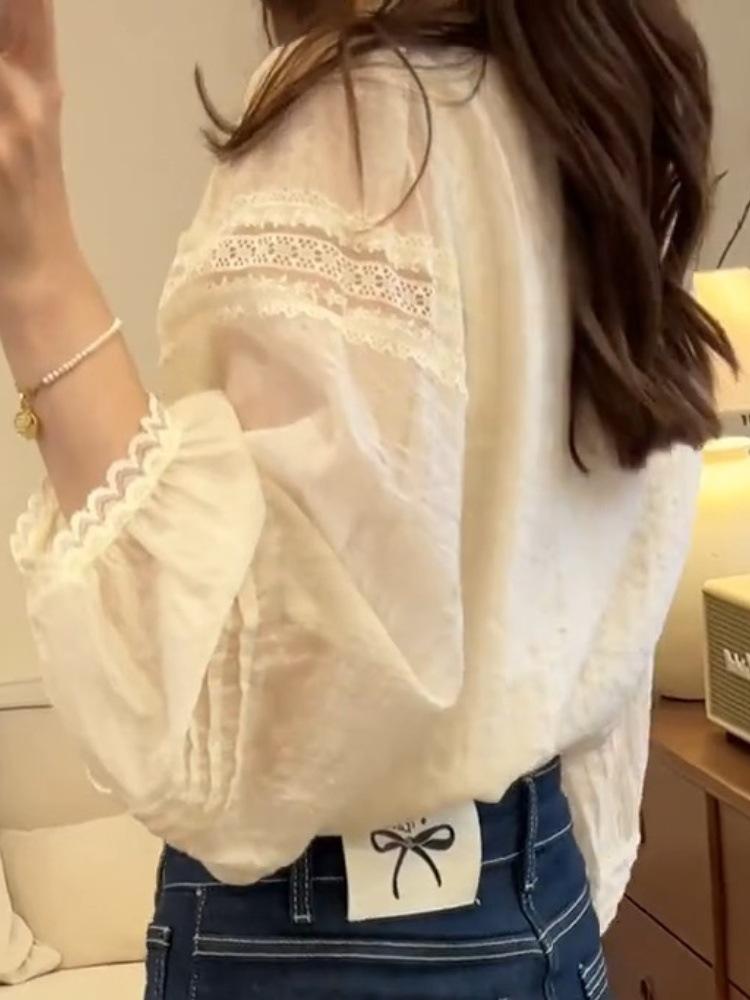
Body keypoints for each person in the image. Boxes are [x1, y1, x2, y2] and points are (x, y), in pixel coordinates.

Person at [0, 1, 736, 998]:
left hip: (331, 942)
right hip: (543, 903)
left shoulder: (364, 115)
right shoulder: (599, 105)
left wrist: (35, 267)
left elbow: (231, 744)